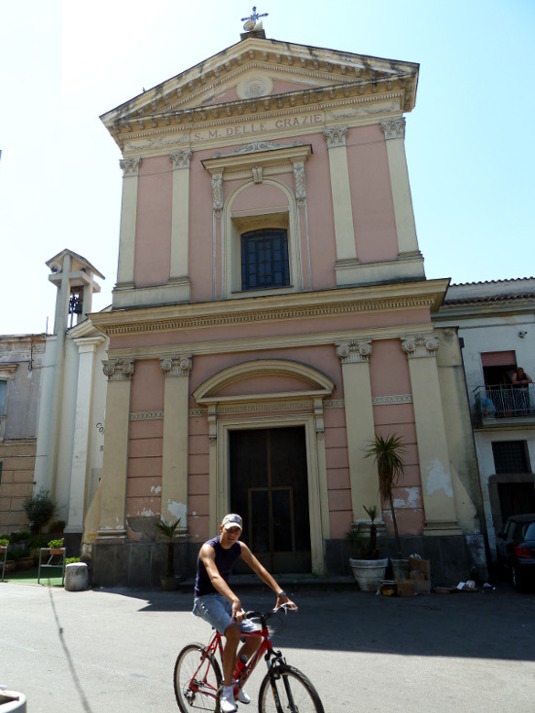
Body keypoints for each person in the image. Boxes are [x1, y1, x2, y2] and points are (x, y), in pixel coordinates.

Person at [193, 513, 296, 713]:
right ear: (221, 528)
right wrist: (234, 600)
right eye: (229, 529)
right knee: (233, 632)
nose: (233, 534)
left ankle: (233, 680)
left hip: (224, 598)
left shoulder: (240, 547)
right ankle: (228, 691)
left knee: (255, 638)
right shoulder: (208, 548)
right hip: (205, 599)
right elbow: (214, 577)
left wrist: (280, 593)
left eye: (237, 530)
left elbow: (260, 569)